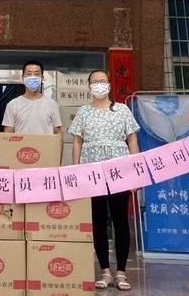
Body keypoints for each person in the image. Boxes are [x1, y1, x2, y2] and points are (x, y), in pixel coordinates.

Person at [68, 70, 140, 292]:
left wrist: (136, 173)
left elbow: (132, 139)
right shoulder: (84, 111)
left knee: (120, 220)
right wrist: (77, 171)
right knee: (98, 221)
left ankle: (121, 273)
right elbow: (77, 142)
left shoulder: (122, 110)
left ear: (109, 83)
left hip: (119, 171)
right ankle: (105, 272)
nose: (99, 84)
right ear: (88, 86)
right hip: (92, 173)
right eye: (94, 81)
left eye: (102, 81)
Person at [2, 59, 62, 135]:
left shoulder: (52, 104)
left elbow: (58, 132)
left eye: (36, 74)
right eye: (29, 73)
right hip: (22, 143)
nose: (33, 77)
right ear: (23, 77)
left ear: (42, 78)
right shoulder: (12, 105)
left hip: (44, 143)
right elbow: (8, 134)